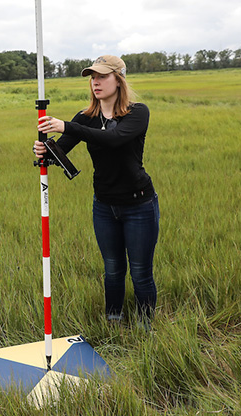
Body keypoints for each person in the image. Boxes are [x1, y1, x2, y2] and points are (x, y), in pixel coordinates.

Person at [33, 55, 159, 327]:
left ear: (119, 79)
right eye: (92, 77)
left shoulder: (137, 112)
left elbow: (115, 139)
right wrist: (45, 150)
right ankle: (113, 320)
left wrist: (67, 125)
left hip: (139, 205)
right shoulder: (86, 118)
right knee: (112, 269)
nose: (96, 82)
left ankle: (145, 327)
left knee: (140, 272)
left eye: (102, 76)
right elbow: (60, 150)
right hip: (104, 206)